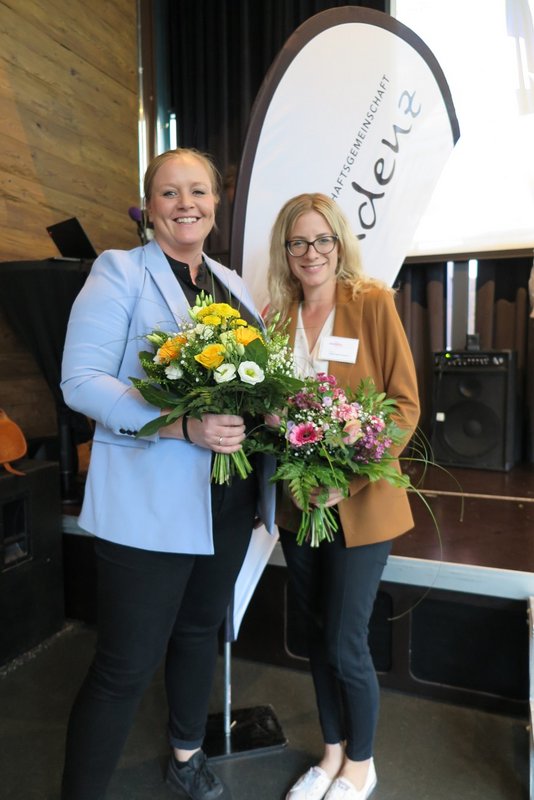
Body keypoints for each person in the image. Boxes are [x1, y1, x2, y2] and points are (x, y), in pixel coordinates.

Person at [60, 147, 275, 800]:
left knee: (198, 632)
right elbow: (81, 381)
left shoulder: (232, 283)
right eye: (170, 192)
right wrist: (179, 427)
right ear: (149, 207)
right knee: (123, 668)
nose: (186, 204)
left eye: (199, 191)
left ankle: (186, 756)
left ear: (216, 204)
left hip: (228, 502)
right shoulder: (120, 271)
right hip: (148, 506)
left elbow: (255, 380)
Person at [266, 193, 420, 800]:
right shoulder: (277, 317)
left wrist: (348, 478)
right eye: (298, 242)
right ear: (285, 251)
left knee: (343, 638)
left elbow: (403, 405)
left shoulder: (372, 302)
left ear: (339, 243)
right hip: (299, 505)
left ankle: (362, 762)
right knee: (313, 633)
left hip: (360, 502)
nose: (311, 253)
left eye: (322, 240)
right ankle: (331, 754)